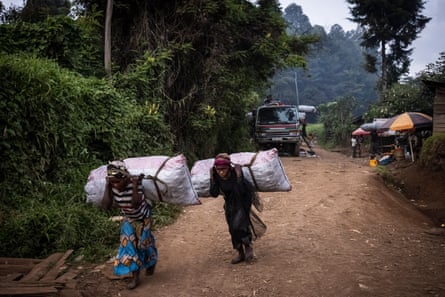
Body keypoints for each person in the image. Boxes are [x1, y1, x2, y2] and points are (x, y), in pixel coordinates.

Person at [101, 162, 158, 290]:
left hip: (144, 220)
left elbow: (136, 204)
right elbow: (106, 205)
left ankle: (151, 262)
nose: (116, 185)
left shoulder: (135, 185)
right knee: (130, 247)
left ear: (125, 178)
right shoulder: (112, 187)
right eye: (112, 182)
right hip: (129, 221)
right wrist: (107, 185)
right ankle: (135, 277)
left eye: (117, 182)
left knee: (144, 245)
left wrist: (135, 185)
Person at [209, 153, 266, 264]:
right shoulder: (216, 176)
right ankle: (240, 252)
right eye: (218, 169)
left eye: (223, 169)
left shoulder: (236, 174)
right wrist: (212, 178)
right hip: (229, 204)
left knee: (240, 225)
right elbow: (214, 193)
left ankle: (248, 249)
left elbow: (241, 191)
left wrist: (239, 176)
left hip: (242, 201)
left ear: (229, 168)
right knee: (232, 228)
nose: (221, 172)